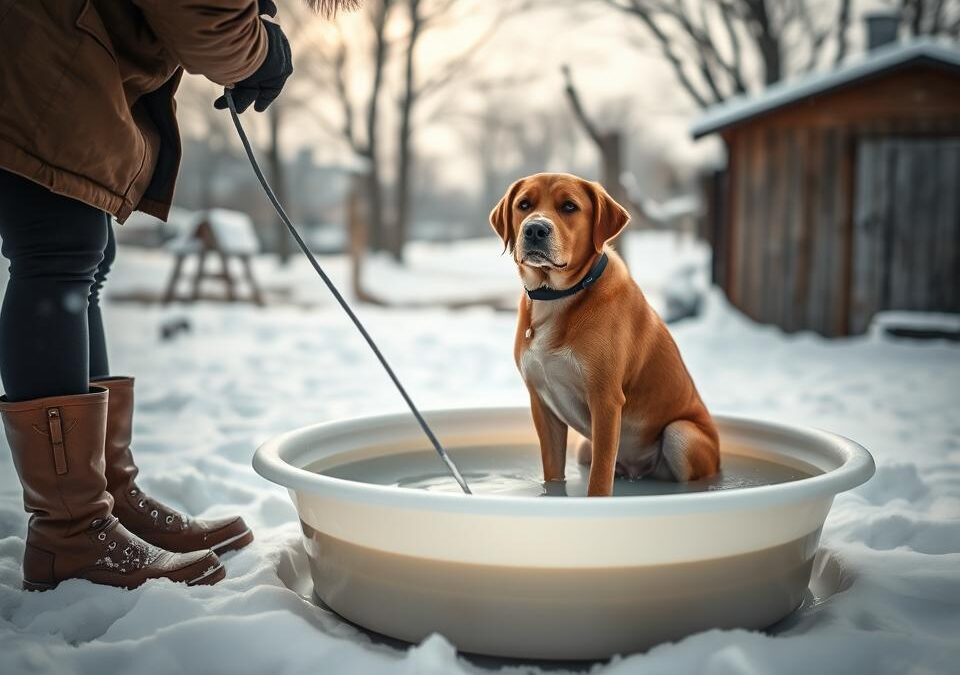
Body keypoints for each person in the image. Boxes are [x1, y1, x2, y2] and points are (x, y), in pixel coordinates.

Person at [0, 0, 318, 590]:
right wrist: (260, 48)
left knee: (82, 258)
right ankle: (70, 531)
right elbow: (198, 12)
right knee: (56, 253)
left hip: (58, 51)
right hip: (37, 52)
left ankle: (106, 497)